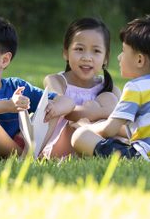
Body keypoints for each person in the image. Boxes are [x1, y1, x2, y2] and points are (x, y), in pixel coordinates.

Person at [71, 15, 150, 161]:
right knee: (119, 139)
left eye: (124, 51)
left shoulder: (136, 87)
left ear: (139, 60)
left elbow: (109, 129)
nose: (119, 57)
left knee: (80, 137)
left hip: (148, 158)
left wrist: (86, 127)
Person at [0, 16, 75, 157]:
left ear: (4, 60)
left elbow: (68, 101)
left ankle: (32, 153)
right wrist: (8, 105)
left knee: (52, 108)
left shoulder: (16, 85)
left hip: (22, 142)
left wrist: (55, 108)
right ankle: (26, 157)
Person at [40, 17, 121, 158]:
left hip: (96, 139)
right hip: (61, 144)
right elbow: (66, 112)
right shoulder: (56, 81)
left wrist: (99, 118)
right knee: (74, 125)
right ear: (66, 52)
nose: (87, 57)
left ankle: (112, 150)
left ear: (106, 58)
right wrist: (101, 112)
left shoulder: (110, 89)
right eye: (79, 49)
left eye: (96, 51)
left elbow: (122, 120)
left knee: (112, 117)